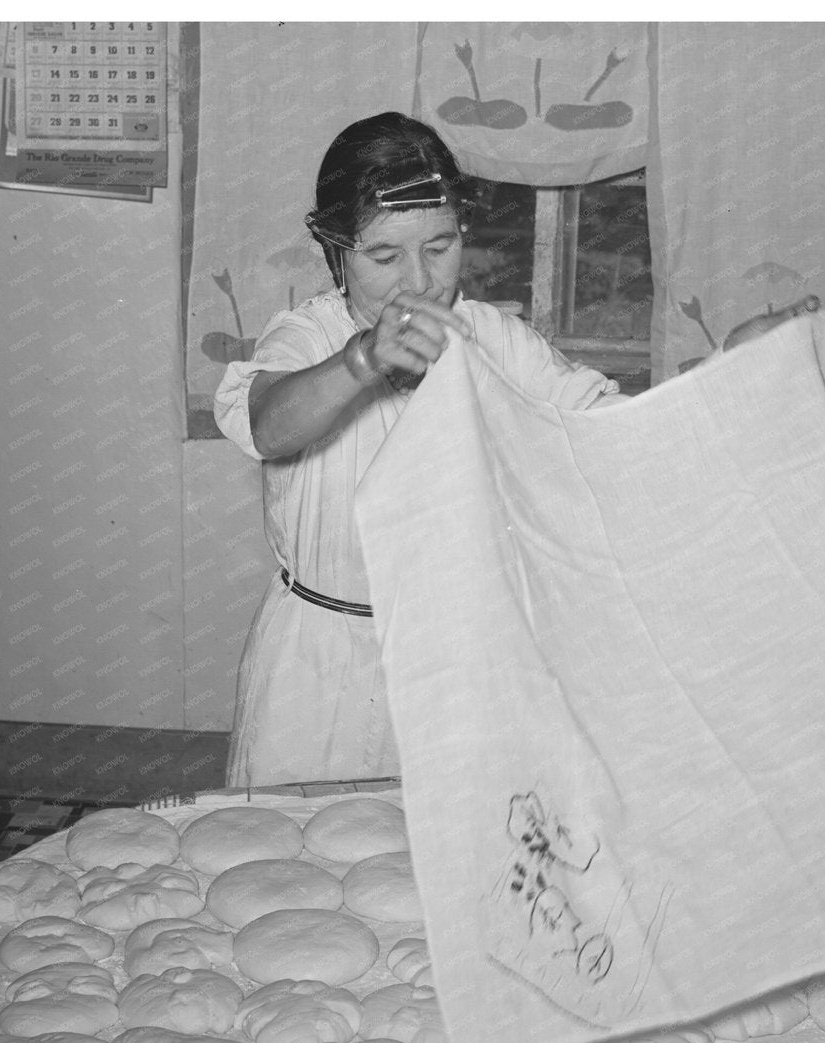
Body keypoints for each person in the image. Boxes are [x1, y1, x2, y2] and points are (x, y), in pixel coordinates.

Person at [213, 111, 623, 787]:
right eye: (384, 256)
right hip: (317, 666)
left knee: (441, 869)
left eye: (440, 246)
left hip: (457, 663)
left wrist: (734, 368)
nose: (419, 281)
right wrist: (362, 362)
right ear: (334, 251)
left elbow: (609, 429)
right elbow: (268, 425)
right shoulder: (308, 339)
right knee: (296, 866)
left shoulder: (494, 340)